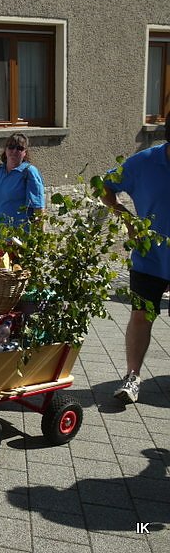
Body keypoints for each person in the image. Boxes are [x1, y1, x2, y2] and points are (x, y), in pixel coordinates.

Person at [101, 123, 170, 404]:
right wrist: (126, 217)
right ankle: (132, 377)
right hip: (149, 258)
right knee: (142, 316)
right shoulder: (144, 162)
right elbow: (104, 185)